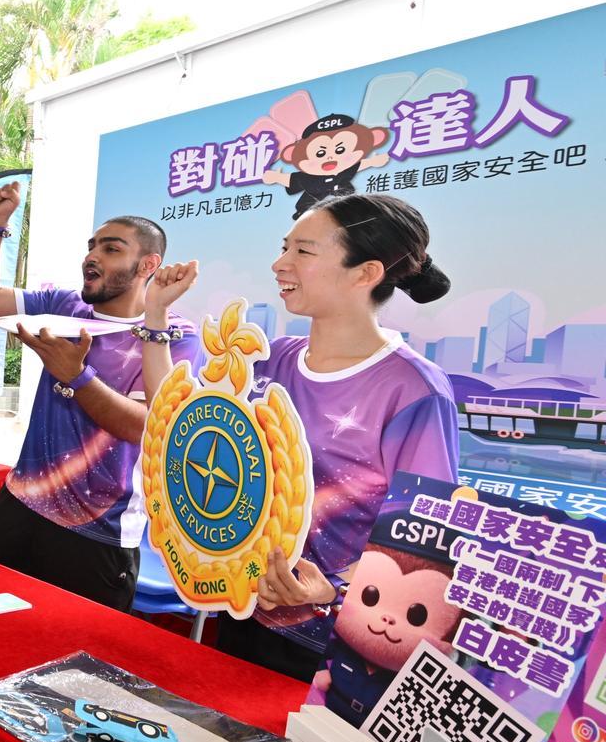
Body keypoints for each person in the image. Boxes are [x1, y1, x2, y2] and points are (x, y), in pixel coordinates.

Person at [140, 192, 457, 679]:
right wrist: (156, 315)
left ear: (365, 273)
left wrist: (331, 588)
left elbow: (421, 536)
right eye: (284, 247)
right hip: (243, 607)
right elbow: (179, 422)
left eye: (303, 252)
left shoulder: (412, 389)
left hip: (330, 645)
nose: (280, 263)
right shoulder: (273, 357)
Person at [0, 182, 198, 613]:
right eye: (92, 247)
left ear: (148, 264)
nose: (92, 256)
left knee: (72, 674)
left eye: (111, 249)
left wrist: (76, 375)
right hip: (19, 507)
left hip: (97, 533)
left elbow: (146, 426)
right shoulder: (65, 305)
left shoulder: (173, 335)